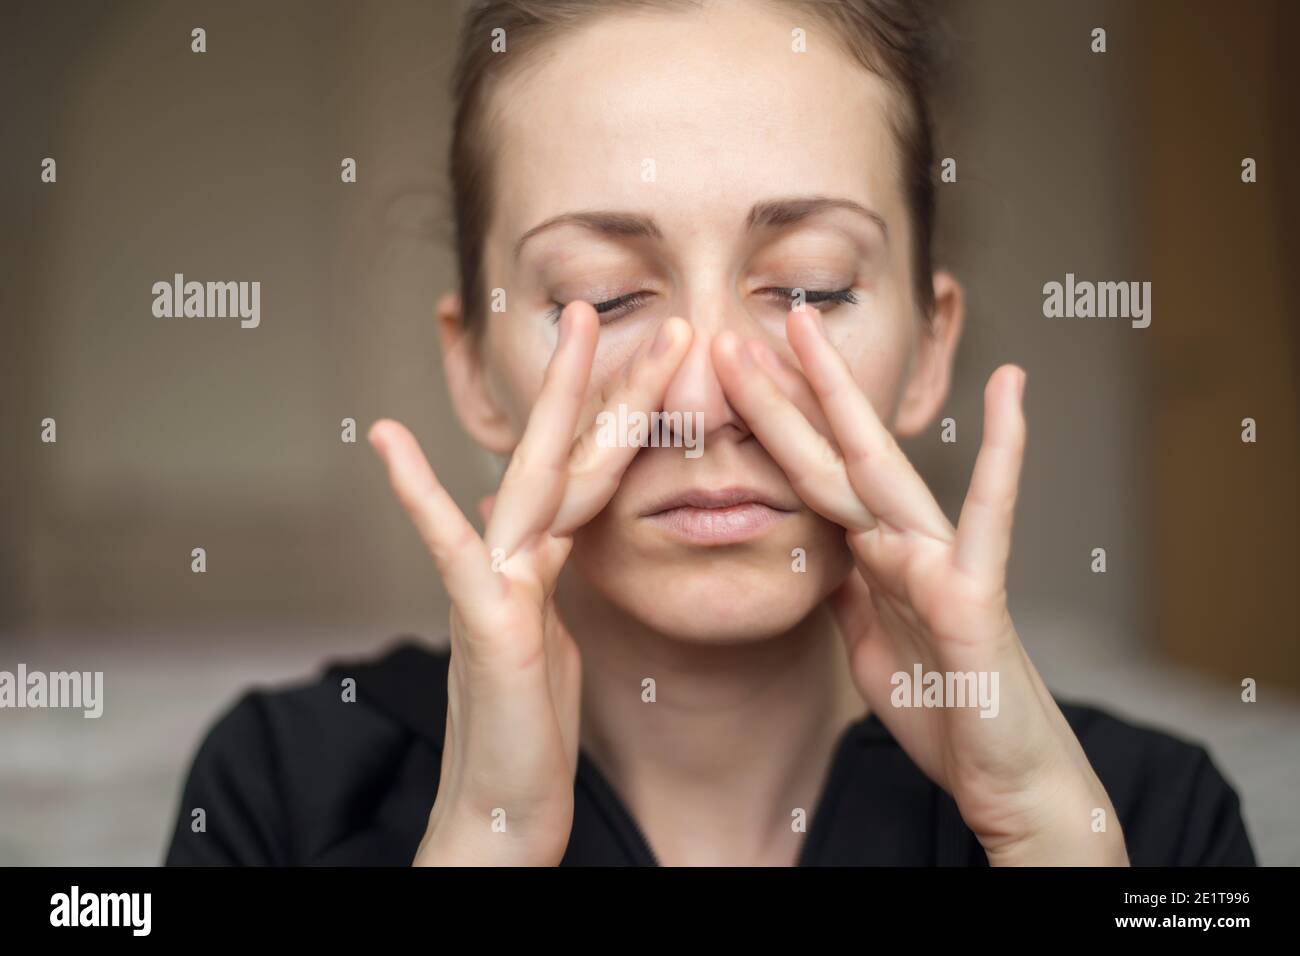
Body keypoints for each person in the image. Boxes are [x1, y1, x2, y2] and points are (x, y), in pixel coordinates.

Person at [165, 0, 1255, 866]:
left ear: (929, 348)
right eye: (601, 297)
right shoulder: (282, 791)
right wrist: (484, 846)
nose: (701, 393)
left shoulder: (1144, 818)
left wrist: (1049, 841)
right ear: (474, 370)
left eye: (811, 289)